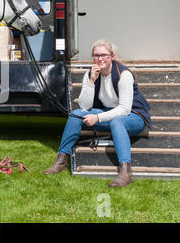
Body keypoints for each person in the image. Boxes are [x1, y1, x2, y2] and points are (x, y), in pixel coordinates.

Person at [44, 39, 152, 187]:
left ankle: (125, 172)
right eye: (96, 55)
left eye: (104, 55)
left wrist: (97, 117)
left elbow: (124, 109)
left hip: (133, 116)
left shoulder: (123, 74)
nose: (100, 59)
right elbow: (84, 106)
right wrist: (91, 81)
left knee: (117, 121)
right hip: (107, 113)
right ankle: (61, 160)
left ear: (112, 56)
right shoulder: (90, 73)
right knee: (76, 114)